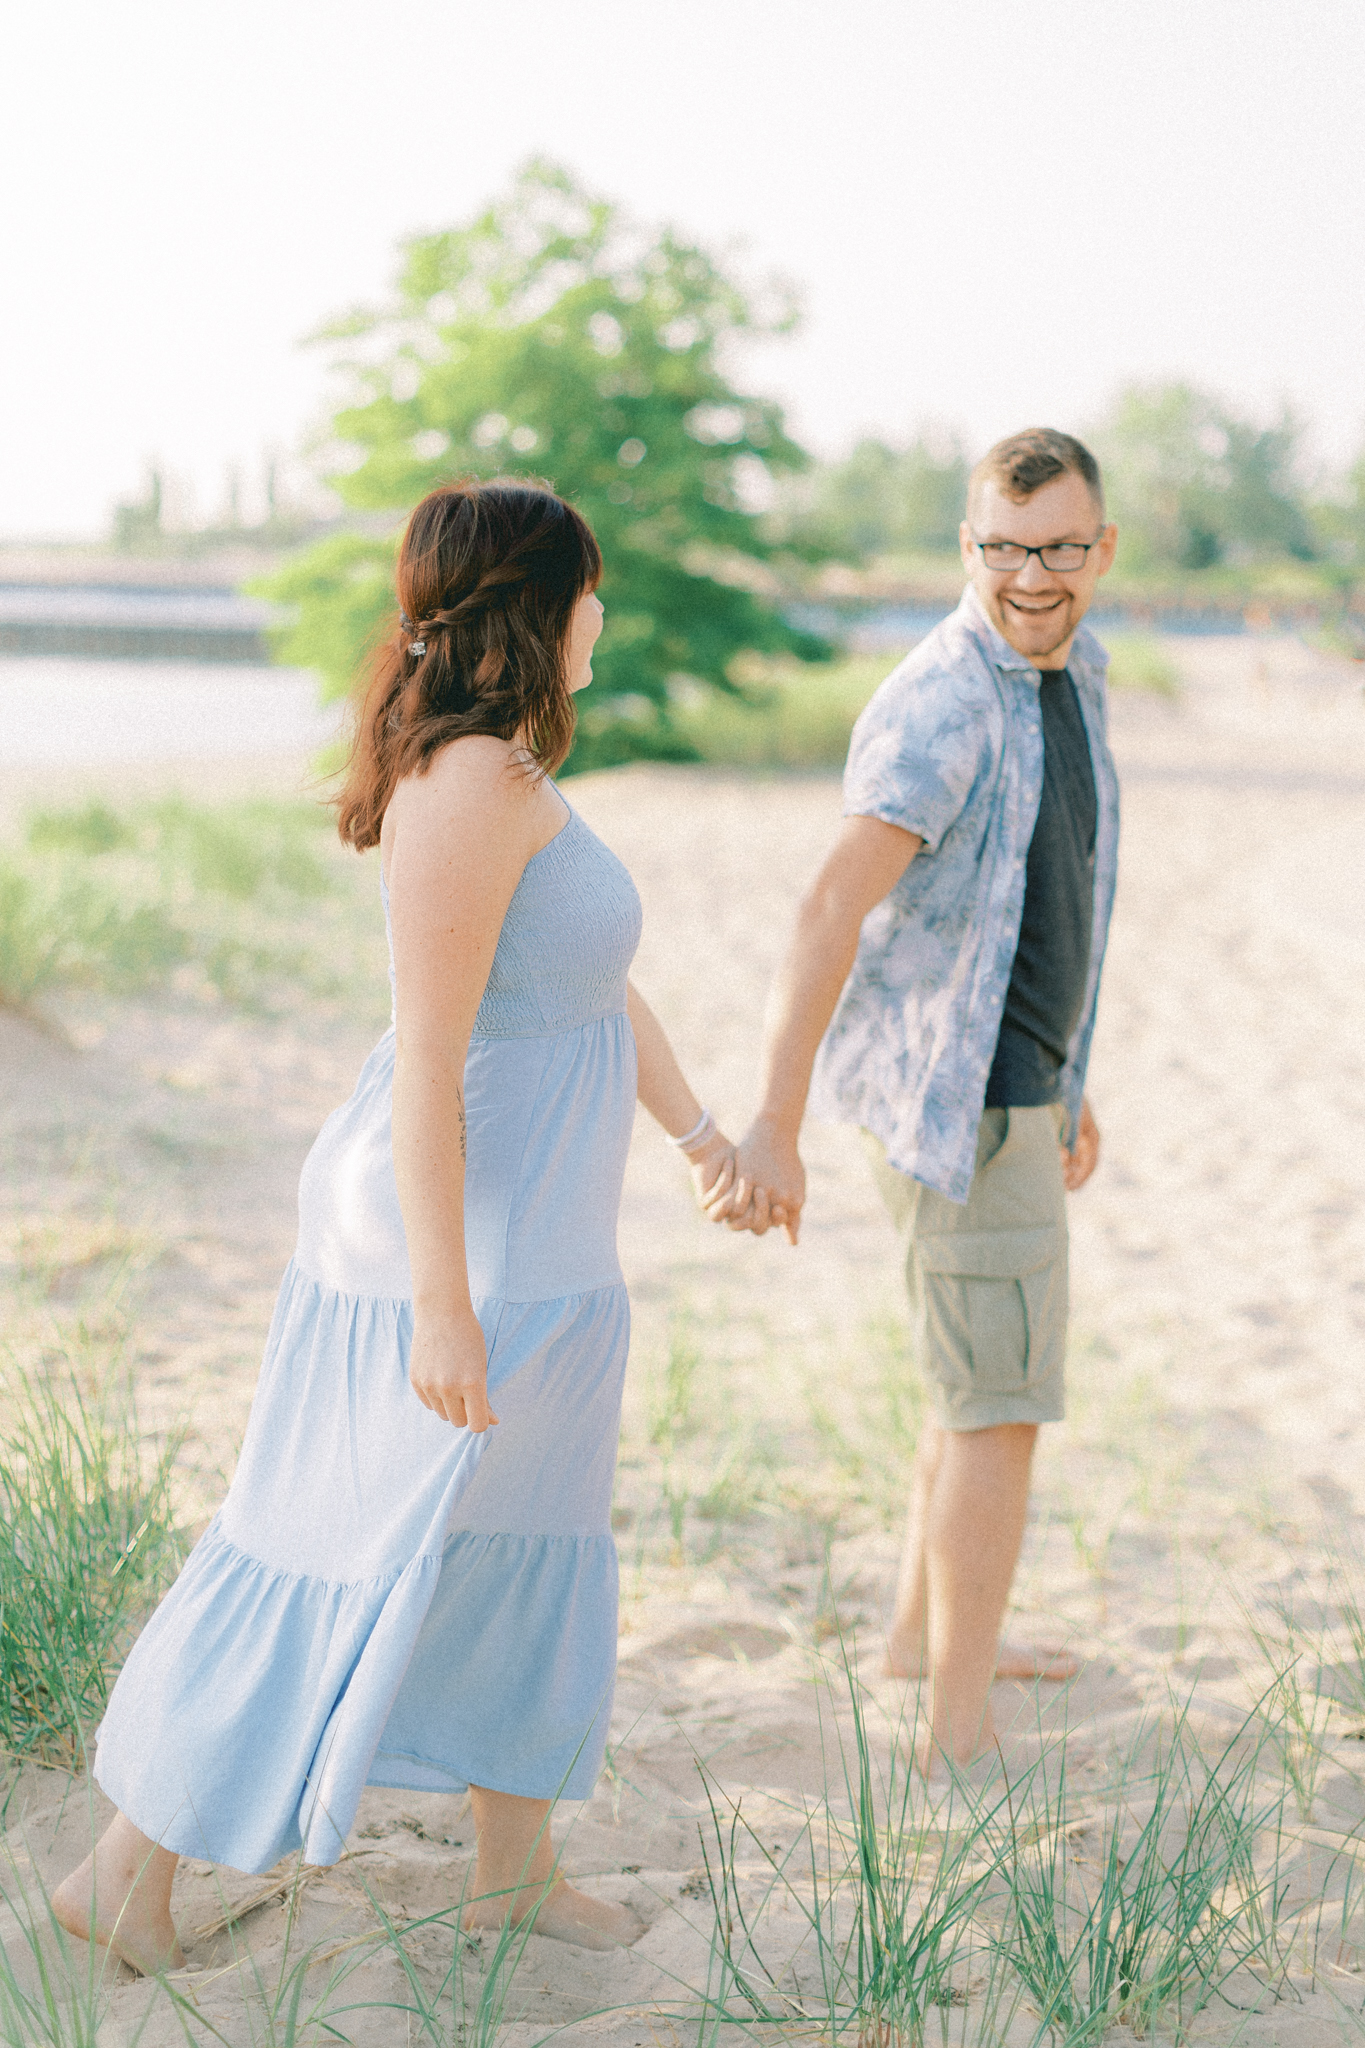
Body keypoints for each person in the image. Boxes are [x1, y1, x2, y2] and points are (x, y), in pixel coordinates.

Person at [54, 479, 741, 1972]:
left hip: (547, 1242)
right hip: (444, 1246)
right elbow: (427, 1057)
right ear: (538, 609)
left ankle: (510, 1875)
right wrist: (443, 1302)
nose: (604, 616)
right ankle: (119, 1877)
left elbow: (590, 991)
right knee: (317, 1547)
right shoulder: (465, 784)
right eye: (591, 592)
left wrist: (701, 1139)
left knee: (528, 1542)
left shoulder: (517, 779)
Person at [712, 428, 1120, 1772]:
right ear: (967, 548)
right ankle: (954, 1725)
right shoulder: (945, 698)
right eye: (1004, 549)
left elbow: (1047, 893)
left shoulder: (1073, 674)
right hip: (961, 1110)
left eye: (1058, 547)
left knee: (969, 1391)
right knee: (996, 1410)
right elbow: (829, 902)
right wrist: (769, 1120)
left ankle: (915, 1640)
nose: (1031, 575)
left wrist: (1071, 1077)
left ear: (1099, 549)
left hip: (1018, 1089)